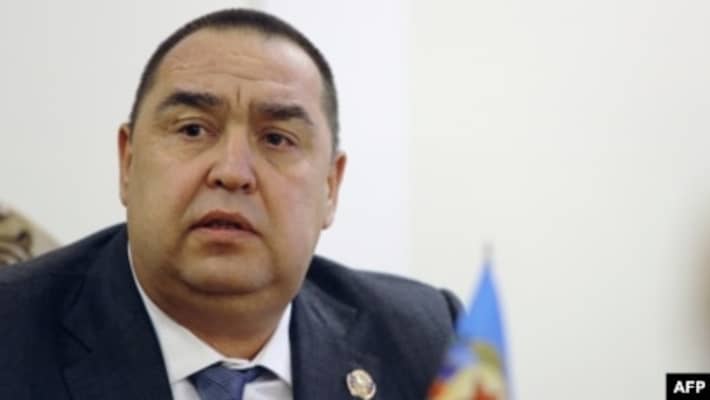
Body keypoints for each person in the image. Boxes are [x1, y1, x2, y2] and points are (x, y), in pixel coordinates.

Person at [0, 9, 460, 400]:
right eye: (193, 130)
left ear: (330, 187)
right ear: (128, 162)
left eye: (276, 139)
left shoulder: (431, 340)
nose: (232, 172)